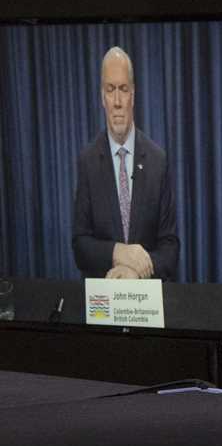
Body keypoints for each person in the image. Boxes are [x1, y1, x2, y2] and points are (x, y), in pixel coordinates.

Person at [72, 47, 179, 280]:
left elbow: (170, 248)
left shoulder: (158, 161)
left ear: (133, 95)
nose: (118, 101)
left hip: (145, 300)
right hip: (102, 299)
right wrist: (117, 253)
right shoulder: (87, 161)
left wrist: (136, 272)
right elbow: (80, 245)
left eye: (123, 89)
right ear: (102, 97)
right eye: (110, 90)